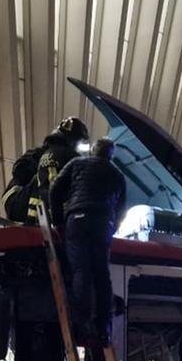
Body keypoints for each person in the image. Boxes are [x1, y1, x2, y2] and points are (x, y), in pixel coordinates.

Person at [49, 137, 127, 347]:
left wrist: (58, 222)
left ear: (93, 150)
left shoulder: (76, 164)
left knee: (80, 271)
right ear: (110, 155)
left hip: (78, 219)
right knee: (102, 275)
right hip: (102, 224)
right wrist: (112, 227)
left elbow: (55, 190)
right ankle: (102, 328)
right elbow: (121, 208)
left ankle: (82, 327)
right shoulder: (117, 175)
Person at [0, 117, 89, 224]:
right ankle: (34, 220)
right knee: (45, 180)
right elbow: (19, 171)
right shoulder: (49, 154)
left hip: (21, 202)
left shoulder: (53, 154)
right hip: (14, 199)